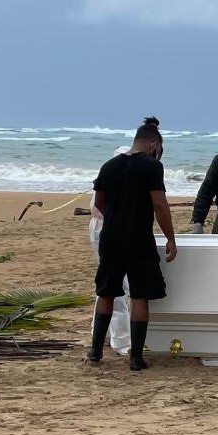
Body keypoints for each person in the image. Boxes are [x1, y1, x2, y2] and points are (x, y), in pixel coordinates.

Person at [87, 117, 176, 372]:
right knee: (139, 296)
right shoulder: (151, 168)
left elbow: (100, 204)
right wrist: (170, 237)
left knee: (106, 292)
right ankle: (136, 358)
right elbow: (159, 204)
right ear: (154, 145)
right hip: (138, 238)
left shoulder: (109, 166)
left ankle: (95, 351)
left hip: (111, 237)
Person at [87, 146, 132, 358]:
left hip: (108, 231)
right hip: (106, 231)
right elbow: (99, 208)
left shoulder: (112, 177)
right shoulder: (111, 180)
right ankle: (120, 340)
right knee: (117, 287)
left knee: (106, 284)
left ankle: (100, 333)